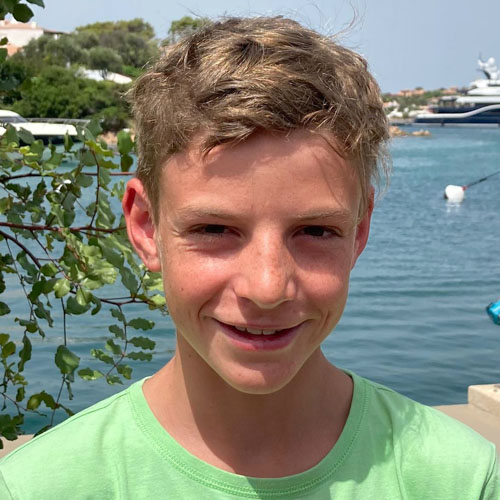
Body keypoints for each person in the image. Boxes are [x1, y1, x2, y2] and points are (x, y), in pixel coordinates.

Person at [0, 16, 498, 499]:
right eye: (214, 229)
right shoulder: (38, 488)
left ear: (359, 231)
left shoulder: (463, 479)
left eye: (316, 231)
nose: (266, 288)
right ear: (146, 227)